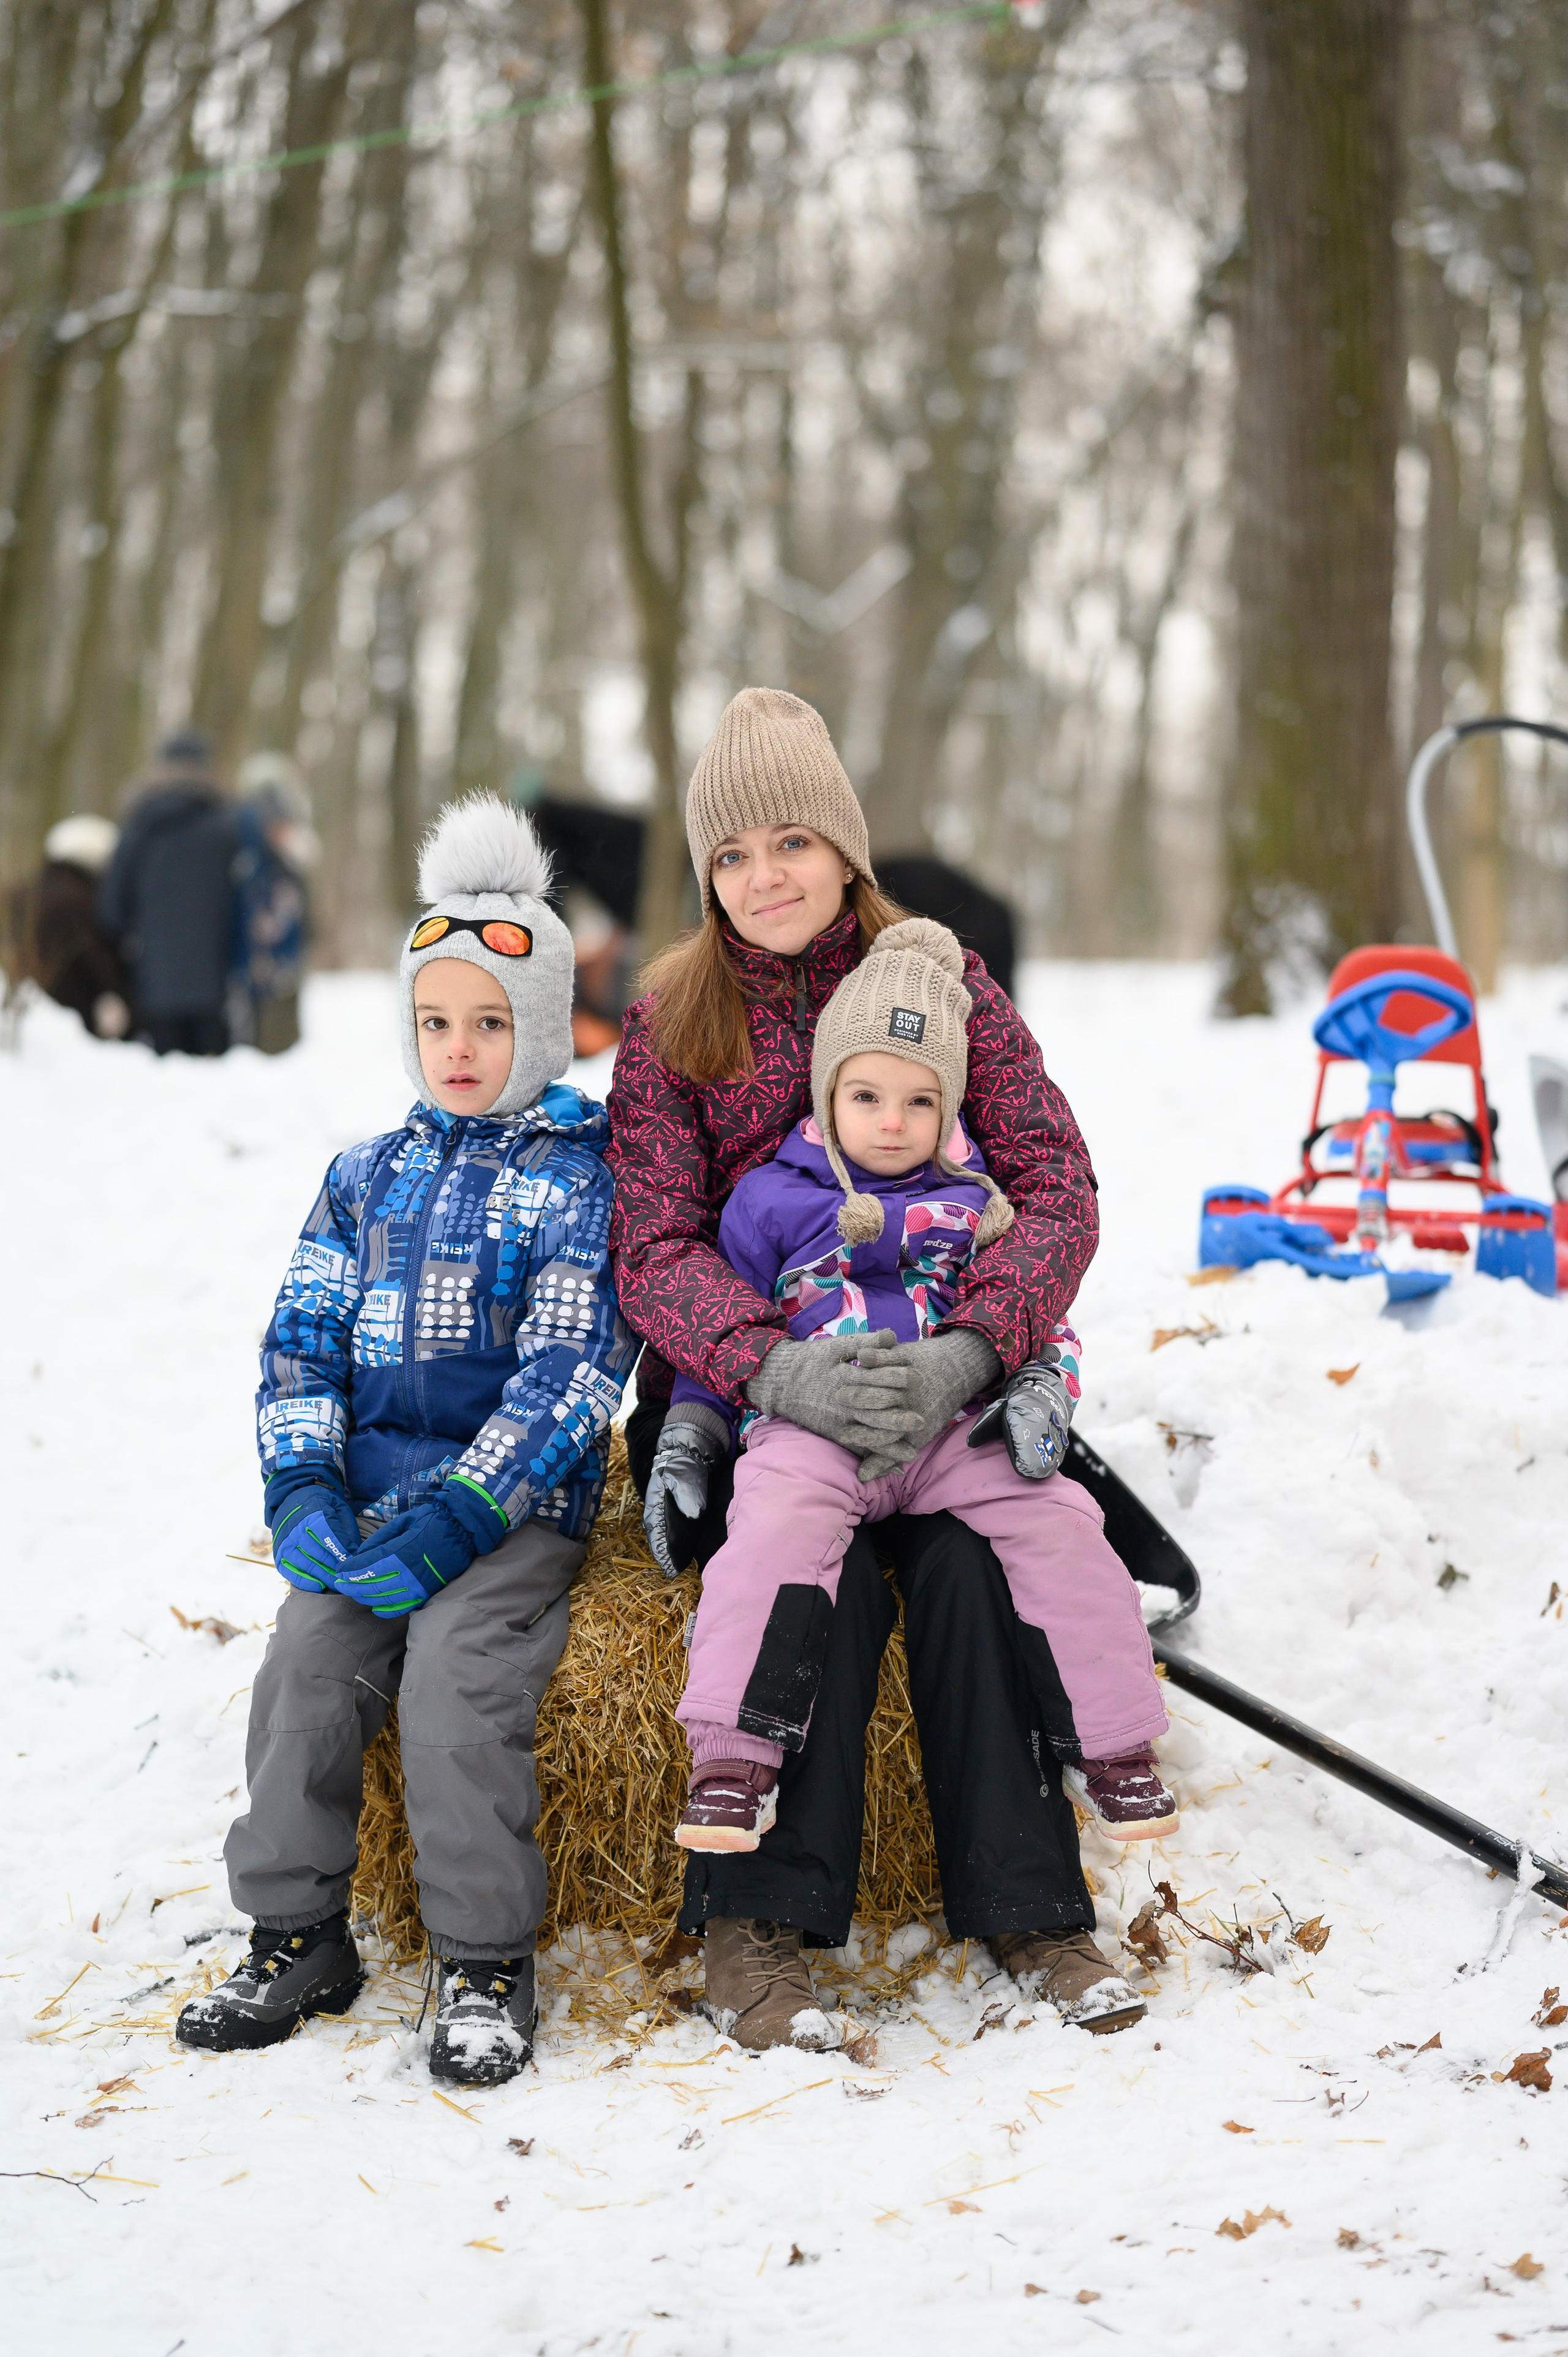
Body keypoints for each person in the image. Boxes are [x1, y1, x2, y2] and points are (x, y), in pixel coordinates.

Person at [607, 686, 1145, 2048]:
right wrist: (765, 1372)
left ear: (841, 844)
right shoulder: (672, 1015)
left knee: (972, 1575)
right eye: (728, 856)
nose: (759, 878)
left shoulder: (936, 975)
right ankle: (752, 1928)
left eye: (787, 841)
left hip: (944, 1376)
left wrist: (982, 1345)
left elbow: (1055, 1183)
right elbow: (654, 1243)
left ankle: (1033, 1910)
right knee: (814, 1584)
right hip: (762, 1398)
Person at [176, 796, 635, 2086]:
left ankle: (484, 1957)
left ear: (541, 1027)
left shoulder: (576, 1176)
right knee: (305, 1674)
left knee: (454, 1689)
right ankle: (295, 1928)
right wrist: (305, 1485)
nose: (460, 1047)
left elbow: (566, 1374)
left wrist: (461, 1515)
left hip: (501, 1513)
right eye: (436, 1022)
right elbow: (300, 1338)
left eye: (491, 1023)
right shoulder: (363, 1174)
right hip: (367, 1498)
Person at [652, 916, 1177, 1854]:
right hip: (815, 1426)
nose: (891, 1122)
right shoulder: (769, 1198)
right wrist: (695, 1427)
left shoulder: (978, 1204)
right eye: (866, 1096)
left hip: (952, 1425)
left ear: (952, 1109)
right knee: (768, 1534)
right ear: (826, 1094)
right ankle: (731, 1759)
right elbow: (715, 1327)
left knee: (1061, 1522)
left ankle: (1115, 1745)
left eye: (918, 1102)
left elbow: (1038, 1315)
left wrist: (1040, 1387)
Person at [98, 730, 239, 1056]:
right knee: (215, 1090)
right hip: (215, 986)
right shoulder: (227, 827)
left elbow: (112, 907)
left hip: (154, 986)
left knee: (166, 1092)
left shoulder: (139, 825)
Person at [4, 814, 131, 1038]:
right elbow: (96, 957)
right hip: (73, 1011)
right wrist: (121, 994)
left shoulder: (25, 892)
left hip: (28, 1009)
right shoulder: (82, 898)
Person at [230, 751, 316, 1055]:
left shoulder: (241, 825)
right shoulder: (263, 828)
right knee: (272, 1048)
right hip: (271, 955)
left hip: (259, 955)